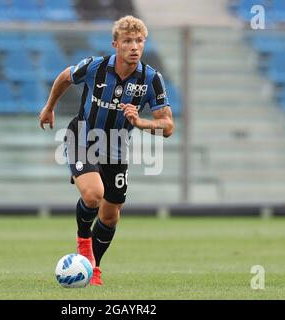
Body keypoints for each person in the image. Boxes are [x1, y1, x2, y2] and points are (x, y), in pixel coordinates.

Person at [39, 15, 174, 286]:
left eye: (139, 41)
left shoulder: (151, 79)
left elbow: (167, 126)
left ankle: (94, 268)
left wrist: (140, 122)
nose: (134, 47)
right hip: (83, 138)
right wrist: (50, 106)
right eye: (127, 41)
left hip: (116, 148)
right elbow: (66, 76)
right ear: (115, 44)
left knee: (111, 215)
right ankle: (83, 243)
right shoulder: (95, 67)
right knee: (93, 195)